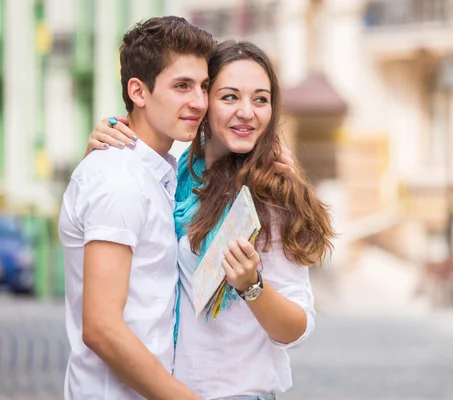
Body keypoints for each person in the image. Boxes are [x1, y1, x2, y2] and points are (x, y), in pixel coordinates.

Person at [87, 40, 334, 400]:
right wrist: (101, 144)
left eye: (261, 99)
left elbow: (297, 329)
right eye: (230, 96)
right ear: (204, 102)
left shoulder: (271, 197)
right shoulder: (172, 176)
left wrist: (252, 285)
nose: (247, 112)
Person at [58, 16, 214, 400]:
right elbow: (101, 328)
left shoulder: (156, 175)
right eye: (182, 86)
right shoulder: (119, 180)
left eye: (204, 87)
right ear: (138, 92)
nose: (199, 102)